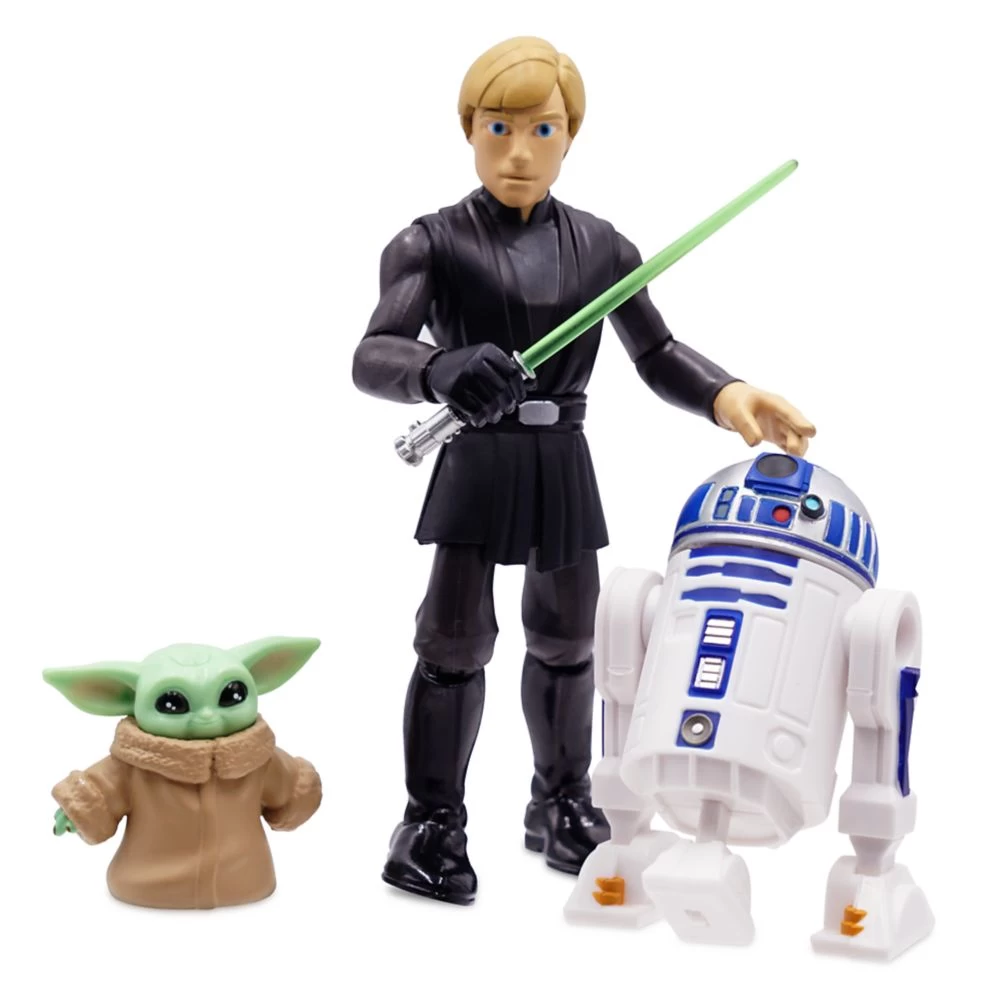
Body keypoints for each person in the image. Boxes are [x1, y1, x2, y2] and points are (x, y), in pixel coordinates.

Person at [352, 35, 815, 906]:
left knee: (570, 641)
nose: (519, 153)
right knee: (452, 644)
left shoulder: (603, 247)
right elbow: (374, 353)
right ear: (468, 129)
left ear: (571, 135)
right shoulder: (430, 242)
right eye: (499, 128)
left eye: (543, 130)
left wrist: (727, 393)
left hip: (561, 457)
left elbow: (657, 351)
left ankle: (561, 800)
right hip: (476, 455)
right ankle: (431, 822)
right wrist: (438, 368)